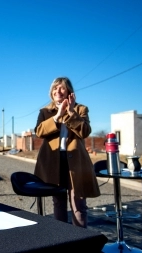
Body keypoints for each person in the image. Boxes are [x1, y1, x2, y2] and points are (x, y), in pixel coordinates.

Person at [34, 77, 100, 228]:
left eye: (62, 88)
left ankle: (81, 241)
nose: (58, 91)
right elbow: (39, 131)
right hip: (53, 161)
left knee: (78, 204)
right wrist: (57, 117)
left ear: (69, 91)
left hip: (76, 162)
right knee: (58, 202)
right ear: (51, 92)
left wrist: (70, 112)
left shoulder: (81, 109)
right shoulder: (45, 111)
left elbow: (85, 132)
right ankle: (62, 240)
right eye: (55, 88)